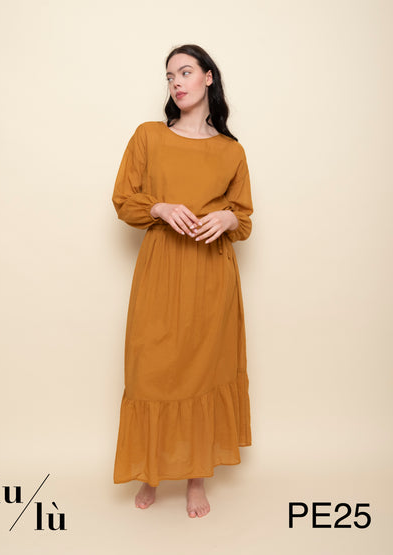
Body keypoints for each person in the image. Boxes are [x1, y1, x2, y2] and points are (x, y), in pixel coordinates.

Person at [111, 44, 254, 518]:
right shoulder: (149, 136)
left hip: (212, 276)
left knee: (204, 372)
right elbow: (124, 199)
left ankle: (196, 480)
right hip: (161, 268)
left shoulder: (231, 151)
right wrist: (159, 207)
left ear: (208, 77)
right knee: (151, 369)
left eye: (186, 72)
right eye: (170, 75)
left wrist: (228, 220)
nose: (176, 82)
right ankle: (150, 471)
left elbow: (244, 218)